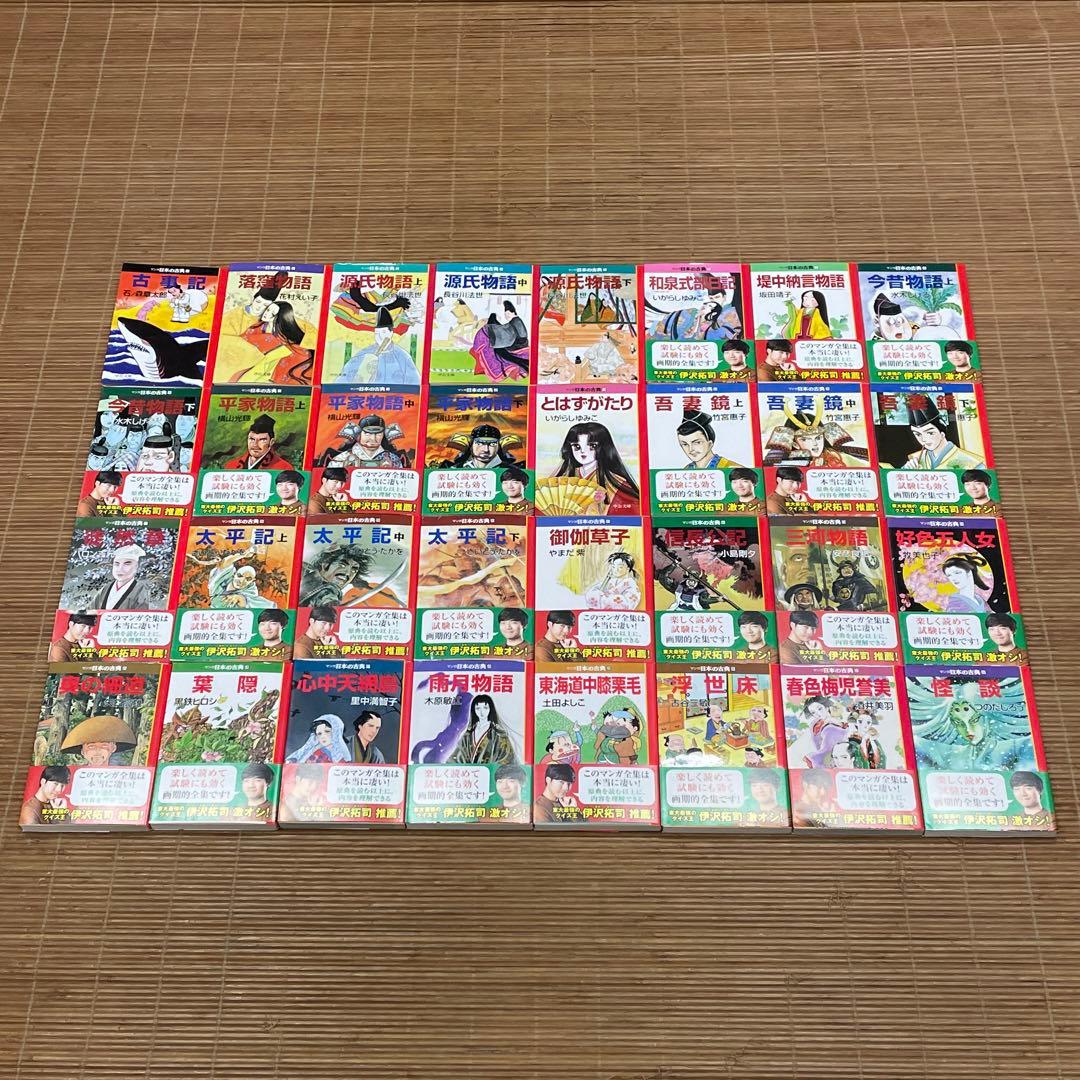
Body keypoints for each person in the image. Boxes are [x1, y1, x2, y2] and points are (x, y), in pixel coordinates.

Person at [554, 421, 640, 514]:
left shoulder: (615, 483)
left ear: (603, 447)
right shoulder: (562, 479)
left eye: (592, 446)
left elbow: (632, 511)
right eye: (577, 446)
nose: (583, 451)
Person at [339, 289, 420, 385]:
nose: (380, 336)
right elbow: (342, 380)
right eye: (377, 333)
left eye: (384, 332)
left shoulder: (402, 356)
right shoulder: (363, 354)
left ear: (391, 333)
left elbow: (415, 383)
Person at [901, 398, 984, 470]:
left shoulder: (972, 463)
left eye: (930, 433)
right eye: (918, 434)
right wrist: (906, 471)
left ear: (942, 433)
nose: (923, 439)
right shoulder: (916, 459)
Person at [448, 694, 518, 766]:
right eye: (478, 708)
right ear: (473, 710)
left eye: (485, 708)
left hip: (490, 771)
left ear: (490, 709)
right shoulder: (468, 733)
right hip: (470, 772)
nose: (482, 712)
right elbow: (457, 756)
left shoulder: (498, 733)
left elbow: (507, 757)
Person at [470, 300, 529, 380]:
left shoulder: (516, 321)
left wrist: (490, 331)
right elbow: (507, 331)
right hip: (515, 343)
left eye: (508, 314)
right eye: (505, 314)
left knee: (488, 345)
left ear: (513, 312)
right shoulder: (514, 322)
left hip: (517, 345)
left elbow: (512, 334)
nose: (506, 316)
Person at [321, 414, 407, 469]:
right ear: (358, 434)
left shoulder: (393, 459)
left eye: (378, 434)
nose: (373, 439)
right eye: (367, 434)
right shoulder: (341, 458)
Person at [870, 292, 965, 341]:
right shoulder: (876, 340)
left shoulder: (912, 328)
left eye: (900, 321)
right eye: (891, 322)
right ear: (877, 322)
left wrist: (931, 318)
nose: (899, 327)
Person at [91, 544, 156, 610]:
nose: (120, 569)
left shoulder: (140, 589)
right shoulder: (106, 588)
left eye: (127, 564)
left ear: (136, 566)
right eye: (117, 564)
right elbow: (90, 610)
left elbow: (141, 613)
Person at [207, 546, 273, 609]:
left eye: (248, 579)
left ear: (252, 581)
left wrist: (241, 599)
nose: (241, 581)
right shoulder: (224, 577)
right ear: (234, 574)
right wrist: (244, 554)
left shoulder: (250, 591)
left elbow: (261, 604)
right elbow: (225, 562)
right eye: (239, 576)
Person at [59, 714, 138, 766]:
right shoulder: (75, 774)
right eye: (91, 747)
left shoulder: (121, 773)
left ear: (113, 748)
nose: (97, 751)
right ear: (82, 751)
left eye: (104, 746)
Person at [224, 414, 295, 470]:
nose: (255, 444)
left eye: (262, 440)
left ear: (271, 442)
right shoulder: (231, 466)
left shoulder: (283, 468)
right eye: (252, 439)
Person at [445, 423, 516, 469]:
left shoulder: (509, 470)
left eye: (492, 444)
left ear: (499, 446)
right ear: (471, 445)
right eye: (479, 443)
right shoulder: (456, 469)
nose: (486, 450)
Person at [287, 713, 351, 764]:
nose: (323, 736)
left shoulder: (345, 753)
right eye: (319, 734)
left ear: (336, 732)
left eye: (327, 731)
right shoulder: (316, 754)